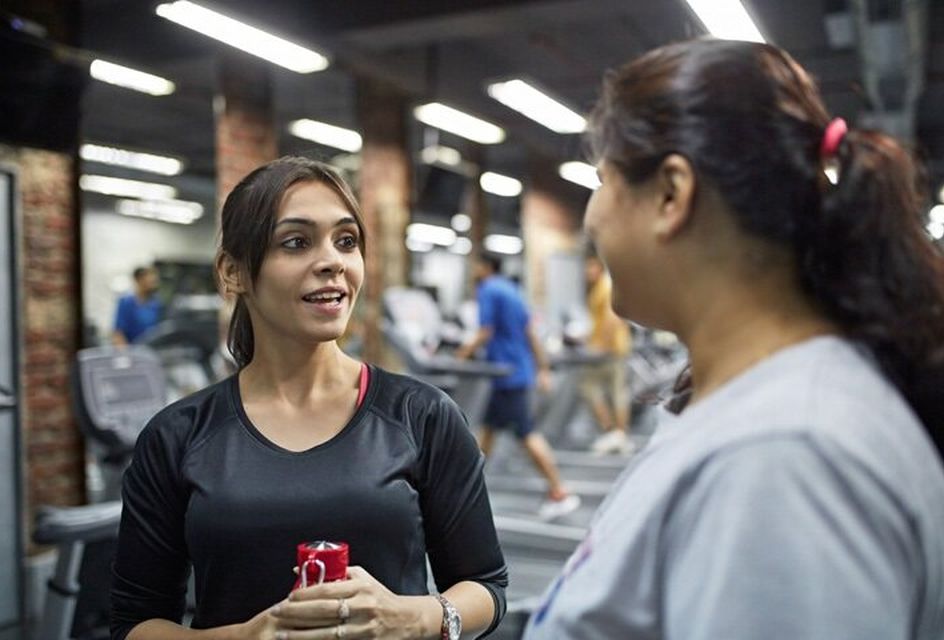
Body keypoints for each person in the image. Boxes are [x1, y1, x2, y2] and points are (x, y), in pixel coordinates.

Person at [525, 38, 944, 639]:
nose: (592, 215)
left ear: (671, 194)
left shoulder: (785, 460)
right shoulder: (759, 413)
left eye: (602, 178)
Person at [111, 157, 507, 640]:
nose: (333, 261)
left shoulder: (423, 415)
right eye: (296, 242)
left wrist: (415, 617)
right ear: (233, 273)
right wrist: (244, 638)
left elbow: (485, 587)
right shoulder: (177, 436)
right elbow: (136, 625)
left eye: (346, 241)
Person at [456, 253, 581, 521]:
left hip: (506, 374)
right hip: (516, 371)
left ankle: (559, 491)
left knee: (526, 433)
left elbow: (484, 331)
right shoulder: (512, 290)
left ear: (485, 267)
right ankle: (462, 489)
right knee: (487, 432)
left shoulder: (488, 289)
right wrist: (542, 367)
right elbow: (530, 332)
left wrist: (460, 354)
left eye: (476, 265)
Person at [579, 251, 634, 454]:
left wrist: (601, 344)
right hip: (610, 348)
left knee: (597, 389)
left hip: (610, 350)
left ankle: (616, 433)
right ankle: (617, 434)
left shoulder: (605, 286)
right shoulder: (600, 288)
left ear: (598, 267)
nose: (587, 272)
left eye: (590, 267)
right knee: (613, 391)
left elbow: (612, 318)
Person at [112, 265, 163, 345]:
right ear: (139, 280)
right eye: (150, 280)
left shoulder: (157, 304)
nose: (154, 282)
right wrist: (125, 354)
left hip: (151, 351)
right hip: (132, 351)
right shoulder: (126, 302)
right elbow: (118, 334)